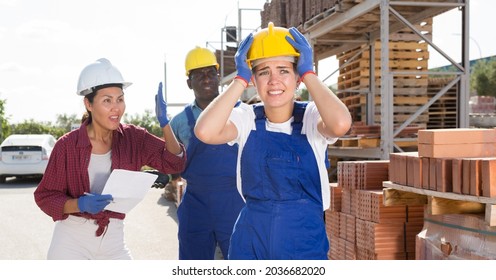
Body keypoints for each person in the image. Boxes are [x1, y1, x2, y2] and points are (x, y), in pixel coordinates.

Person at [194, 22, 352, 260]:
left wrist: (309, 73)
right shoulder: (246, 118)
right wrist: (238, 80)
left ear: (298, 77)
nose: (274, 80)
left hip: (303, 243)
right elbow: (205, 131)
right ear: (253, 79)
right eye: (263, 71)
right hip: (251, 243)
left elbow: (340, 124)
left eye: (284, 70)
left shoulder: (311, 117)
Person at [34, 58, 186, 260]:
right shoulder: (67, 146)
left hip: (113, 238)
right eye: (107, 100)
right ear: (88, 103)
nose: (116, 108)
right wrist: (79, 204)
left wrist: (165, 123)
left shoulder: (134, 138)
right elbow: (45, 197)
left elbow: (175, 162)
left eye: (120, 99)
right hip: (72, 239)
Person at [167, 46, 244, 260]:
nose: (206, 78)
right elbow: (171, 163)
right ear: (188, 82)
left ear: (218, 77)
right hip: (196, 205)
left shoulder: (242, 112)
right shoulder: (179, 122)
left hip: (234, 201)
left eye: (211, 72)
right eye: (199, 74)